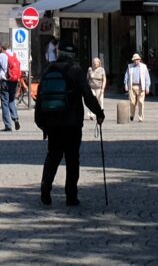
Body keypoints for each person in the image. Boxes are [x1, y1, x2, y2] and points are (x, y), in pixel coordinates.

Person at [32, 42, 105, 206]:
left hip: (52, 122)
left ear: (59, 53)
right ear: (73, 56)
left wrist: (41, 121)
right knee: (72, 160)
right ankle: (71, 196)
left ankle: (45, 187)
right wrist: (99, 113)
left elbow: (40, 97)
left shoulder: (49, 69)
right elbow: (87, 95)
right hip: (72, 122)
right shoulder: (76, 71)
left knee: (53, 156)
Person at [0, 42, 21, 130]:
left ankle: (8, 125)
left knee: (5, 102)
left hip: (5, 81)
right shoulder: (14, 54)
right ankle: (15, 118)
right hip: (14, 80)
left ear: (2, 48)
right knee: (11, 100)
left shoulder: (2, 55)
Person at [124, 51, 151, 122]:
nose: (136, 61)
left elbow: (147, 77)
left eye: (137, 59)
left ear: (139, 59)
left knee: (141, 102)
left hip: (141, 86)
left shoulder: (144, 66)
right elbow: (126, 76)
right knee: (132, 102)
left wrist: (147, 87)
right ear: (133, 60)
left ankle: (140, 117)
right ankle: (132, 115)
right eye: (135, 60)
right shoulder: (130, 67)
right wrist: (126, 85)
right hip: (132, 87)